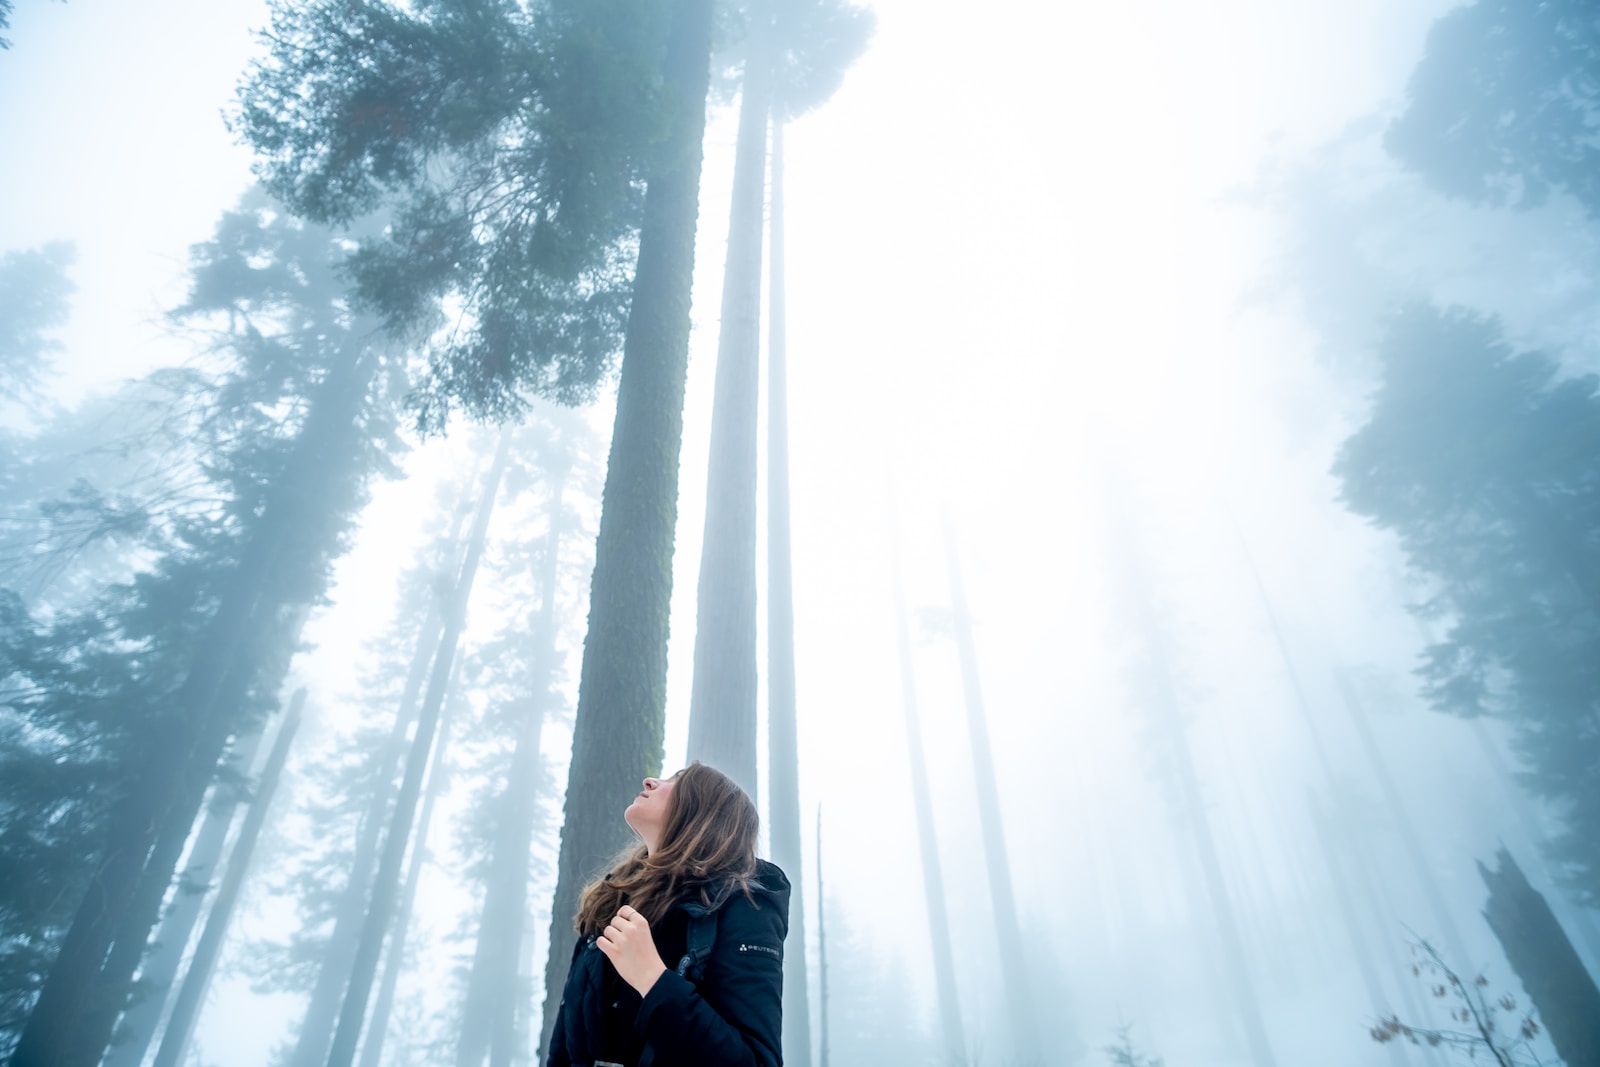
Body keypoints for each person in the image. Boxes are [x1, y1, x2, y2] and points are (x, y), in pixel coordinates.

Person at [546, 761, 790, 1067]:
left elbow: (755, 1061)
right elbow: (563, 1052)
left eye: (679, 781)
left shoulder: (745, 904)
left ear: (707, 814)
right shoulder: (608, 905)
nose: (650, 781)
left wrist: (652, 978)